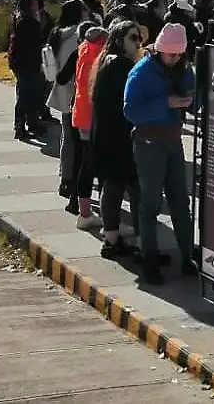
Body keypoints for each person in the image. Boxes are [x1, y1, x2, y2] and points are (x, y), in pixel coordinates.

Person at [123, 23, 197, 285]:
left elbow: (194, 92)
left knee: (180, 201)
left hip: (173, 140)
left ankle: (188, 256)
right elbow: (130, 110)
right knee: (150, 203)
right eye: (170, 54)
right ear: (159, 51)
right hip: (149, 142)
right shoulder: (141, 72)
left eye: (179, 55)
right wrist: (165, 103)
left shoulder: (184, 68)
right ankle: (149, 259)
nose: (175, 58)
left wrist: (191, 99)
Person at [89, 20, 145, 259]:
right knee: (135, 188)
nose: (138, 43)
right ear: (120, 40)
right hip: (121, 136)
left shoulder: (105, 61)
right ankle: (142, 242)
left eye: (139, 37)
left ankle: (111, 239)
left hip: (107, 136)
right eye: (133, 37)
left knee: (113, 187)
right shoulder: (121, 65)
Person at [48, 0, 85, 208]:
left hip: (63, 90)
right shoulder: (75, 38)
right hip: (75, 93)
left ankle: (65, 176)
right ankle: (70, 179)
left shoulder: (58, 34)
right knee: (74, 141)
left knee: (67, 137)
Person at [70, 21, 107, 229]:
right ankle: (104, 216)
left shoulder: (83, 51)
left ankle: (84, 210)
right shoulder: (100, 55)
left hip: (81, 113)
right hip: (94, 116)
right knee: (98, 166)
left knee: (86, 164)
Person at [8, 0, 46, 140]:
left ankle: (31, 122)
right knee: (26, 94)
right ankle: (21, 125)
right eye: (35, 4)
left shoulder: (19, 19)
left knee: (28, 93)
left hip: (20, 61)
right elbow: (33, 43)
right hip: (26, 62)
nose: (37, 6)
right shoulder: (28, 22)